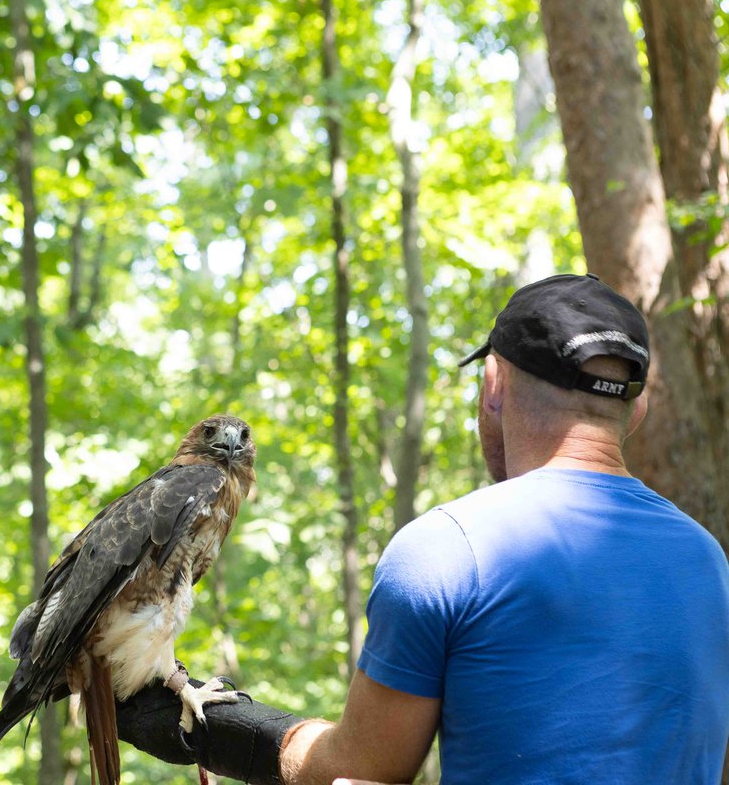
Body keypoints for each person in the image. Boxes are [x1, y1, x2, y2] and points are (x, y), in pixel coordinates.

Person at [116, 273, 729, 784]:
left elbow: (360, 771)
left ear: (493, 384)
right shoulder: (709, 561)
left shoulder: (450, 549)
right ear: (637, 407)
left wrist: (232, 733)